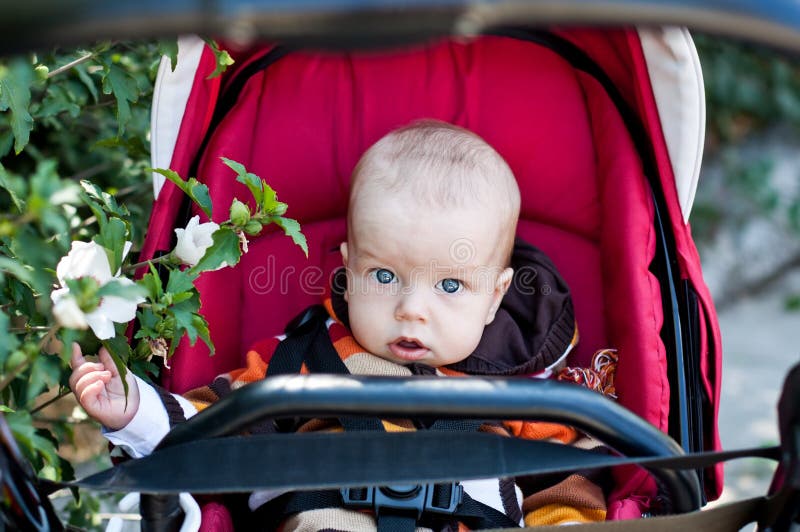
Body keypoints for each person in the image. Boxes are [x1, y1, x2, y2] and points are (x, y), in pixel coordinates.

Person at [69, 120, 612, 529]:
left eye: (450, 286)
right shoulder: (299, 358)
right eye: (383, 275)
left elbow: (565, 488)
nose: (411, 309)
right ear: (347, 272)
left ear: (494, 299)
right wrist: (135, 411)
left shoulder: (521, 393)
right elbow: (212, 428)